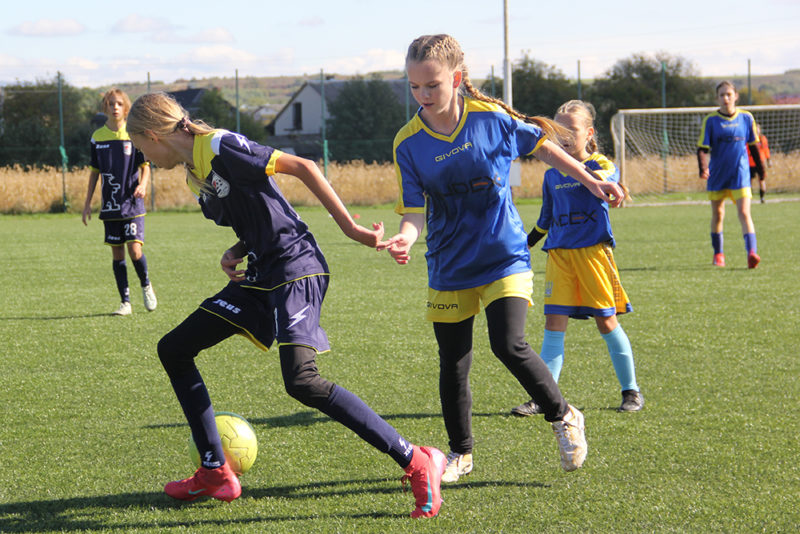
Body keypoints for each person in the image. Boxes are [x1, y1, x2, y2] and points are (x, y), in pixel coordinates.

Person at [126, 91, 446, 518]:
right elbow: (257, 214)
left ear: (152, 135)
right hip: (261, 274)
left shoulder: (220, 145)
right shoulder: (193, 175)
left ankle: (416, 459)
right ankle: (215, 470)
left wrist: (352, 230)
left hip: (297, 266)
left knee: (302, 381)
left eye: (139, 147)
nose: (142, 157)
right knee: (174, 348)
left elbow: (303, 166)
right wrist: (236, 250)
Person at [378, 34, 623, 484]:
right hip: (449, 263)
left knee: (508, 343)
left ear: (456, 79)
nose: (422, 95)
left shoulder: (490, 118)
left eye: (431, 85)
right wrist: (406, 239)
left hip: (503, 253)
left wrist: (592, 182)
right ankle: (461, 454)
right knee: (453, 362)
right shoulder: (407, 143)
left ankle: (564, 415)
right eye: (414, 86)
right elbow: (413, 210)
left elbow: (544, 147)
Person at [510, 100, 643, 418]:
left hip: (593, 254)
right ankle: (544, 397)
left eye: (571, 130)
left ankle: (631, 390)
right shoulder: (551, 175)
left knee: (606, 321)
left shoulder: (601, 165)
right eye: (558, 131)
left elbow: (606, 179)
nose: (564, 136)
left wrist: (607, 186)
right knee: (553, 324)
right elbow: (546, 219)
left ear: (589, 133)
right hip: (559, 256)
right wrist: (525, 244)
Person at [82, 89, 157, 315]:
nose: (115, 107)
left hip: (132, 203)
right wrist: (87, 203)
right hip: (111, 206)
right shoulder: (97, 137)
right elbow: (94, 172)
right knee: (117, 255)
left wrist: (143, 185)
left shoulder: (133, 134)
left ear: (126, 108)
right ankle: (125, 302)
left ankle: (146, 285)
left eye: (119, 104)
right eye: (111, 103)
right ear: (105, 107)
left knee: (135, 250)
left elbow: (145, 167)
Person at [697, 81, 763, 269]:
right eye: (722, 95)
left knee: (744, 212)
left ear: (736, 96)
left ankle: (751, 253)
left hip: (740, 174)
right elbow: (702, 148)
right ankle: (718, 254)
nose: (725, 98)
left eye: (729, 94)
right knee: (718, 214)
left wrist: (761, 170)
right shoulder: (711, 121)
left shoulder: (746, 118)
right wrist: (703, 168)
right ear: (717, 98)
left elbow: (753, 146)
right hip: (718, 175)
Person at [747, 123, 771, 203]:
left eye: (758, 129)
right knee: (749, 181)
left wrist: (768, 160)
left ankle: (762, 198)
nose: (757, 130)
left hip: (760, 163)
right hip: (750, 163)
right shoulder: (748, 138)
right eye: (755, 129)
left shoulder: (762, 139)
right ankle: (748, 198)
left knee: (761, 179)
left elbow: (766, 150)